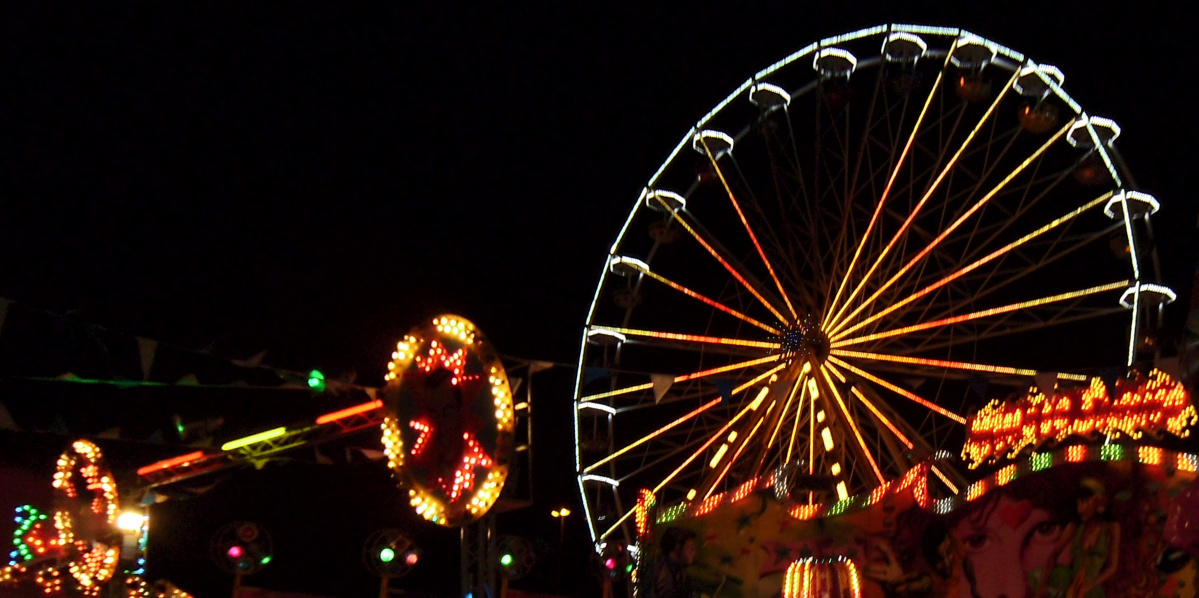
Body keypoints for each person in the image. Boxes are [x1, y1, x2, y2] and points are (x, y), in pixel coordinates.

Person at [1038, 478, 1121, 598]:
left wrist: (1089, 586)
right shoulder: (1075, 526)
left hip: (1092, 589)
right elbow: (1054, 554)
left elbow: (1112, 566)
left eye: (1084, 502)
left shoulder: (1112, 528)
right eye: (1078, 503)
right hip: (1070, 586)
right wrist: (1043, 585)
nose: (1080, 509)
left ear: (1098, 502)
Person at [654, 527, 697, 598]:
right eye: (690, 548)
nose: (694, 553)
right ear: (677, 547)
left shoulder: (680, 572)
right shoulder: (661, 572)